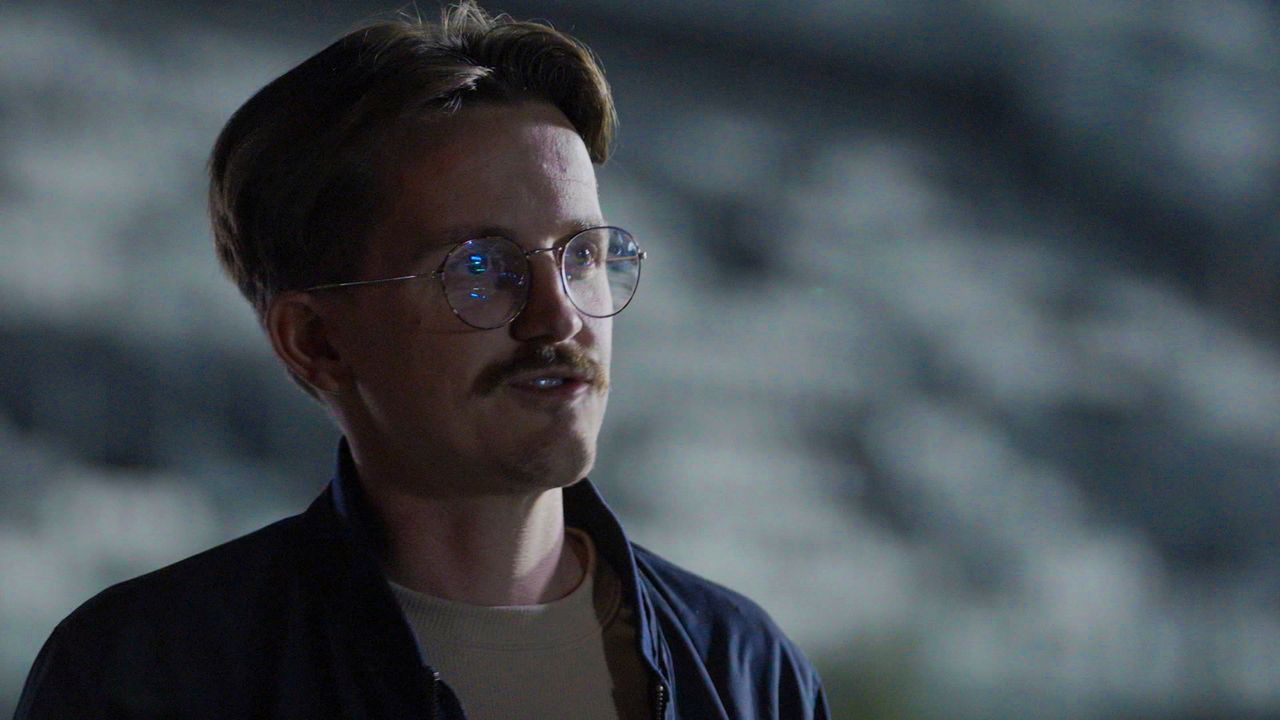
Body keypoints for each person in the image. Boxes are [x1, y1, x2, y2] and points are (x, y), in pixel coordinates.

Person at [15, 4, 829, 718]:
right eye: (478, 268)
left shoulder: (743, 668)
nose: (560, 316)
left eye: (583, 255)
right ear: (316, 341)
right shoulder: (152, 674)